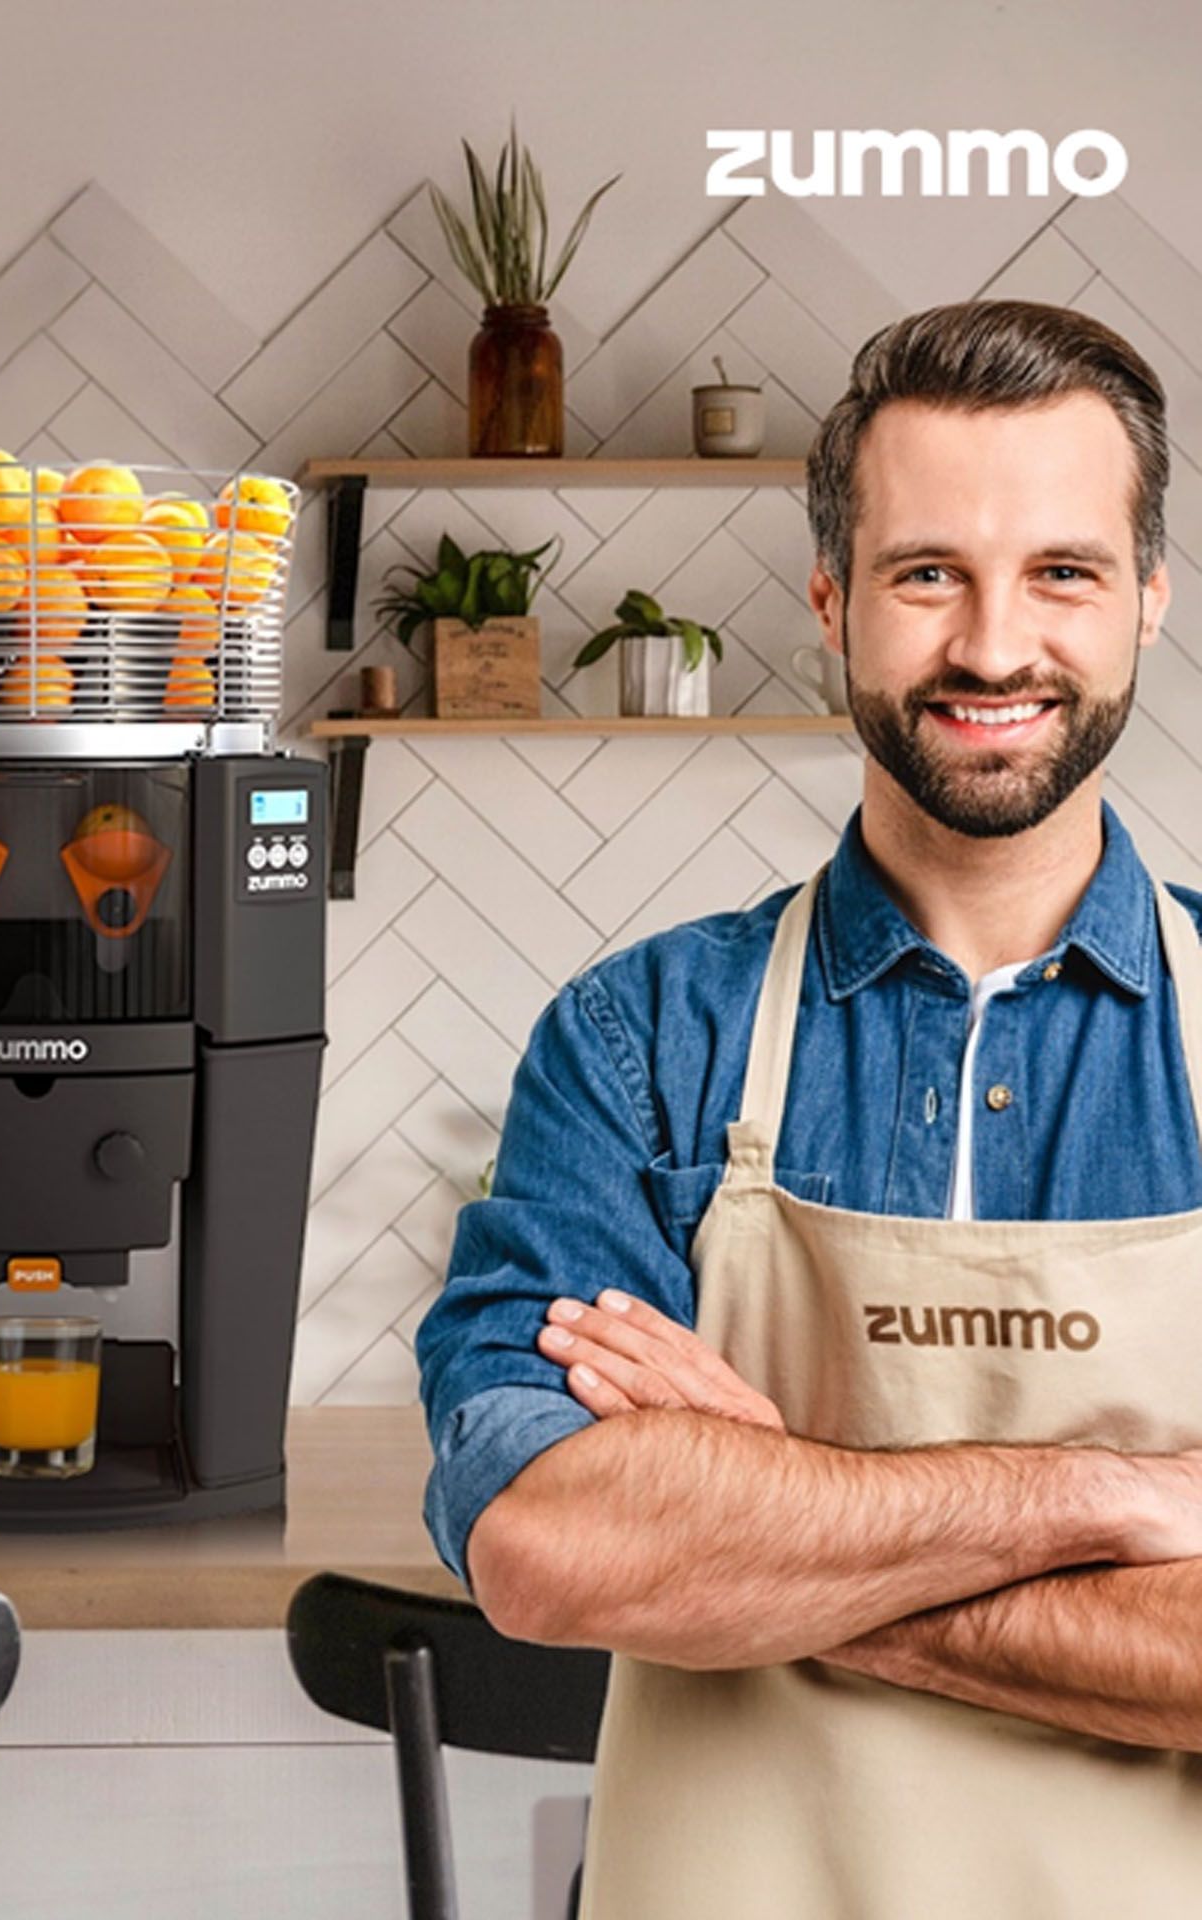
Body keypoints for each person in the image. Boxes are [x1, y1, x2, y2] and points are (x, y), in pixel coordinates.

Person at [413, 297, 1202, 1919]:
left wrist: (764, 1511)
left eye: (1062, 571)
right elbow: (547, 1548)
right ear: (835, 605)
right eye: (929, 575)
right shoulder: (641, 1037)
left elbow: (654, 1555)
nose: (994, 646)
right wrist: (1105, 1498)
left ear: (1150, 602)